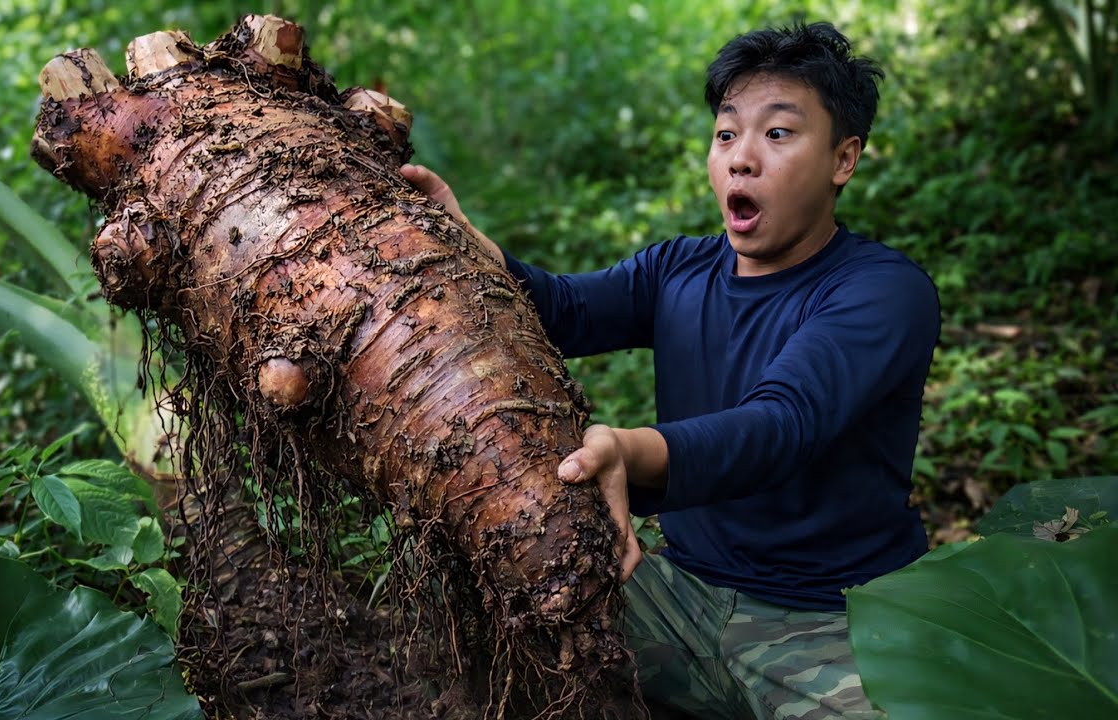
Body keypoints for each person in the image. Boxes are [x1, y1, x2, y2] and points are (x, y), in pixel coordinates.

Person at [402, 21, 939, 720]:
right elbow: (562, 310)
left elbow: (783, 425)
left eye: (777, 134)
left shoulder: (882, 291)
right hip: (674, 596)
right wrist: (461, 242)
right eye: (726, 134)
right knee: (514, 602)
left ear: (844, 158)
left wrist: (631, 447)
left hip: (833, 619)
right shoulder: (678, 269)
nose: (741, 158)